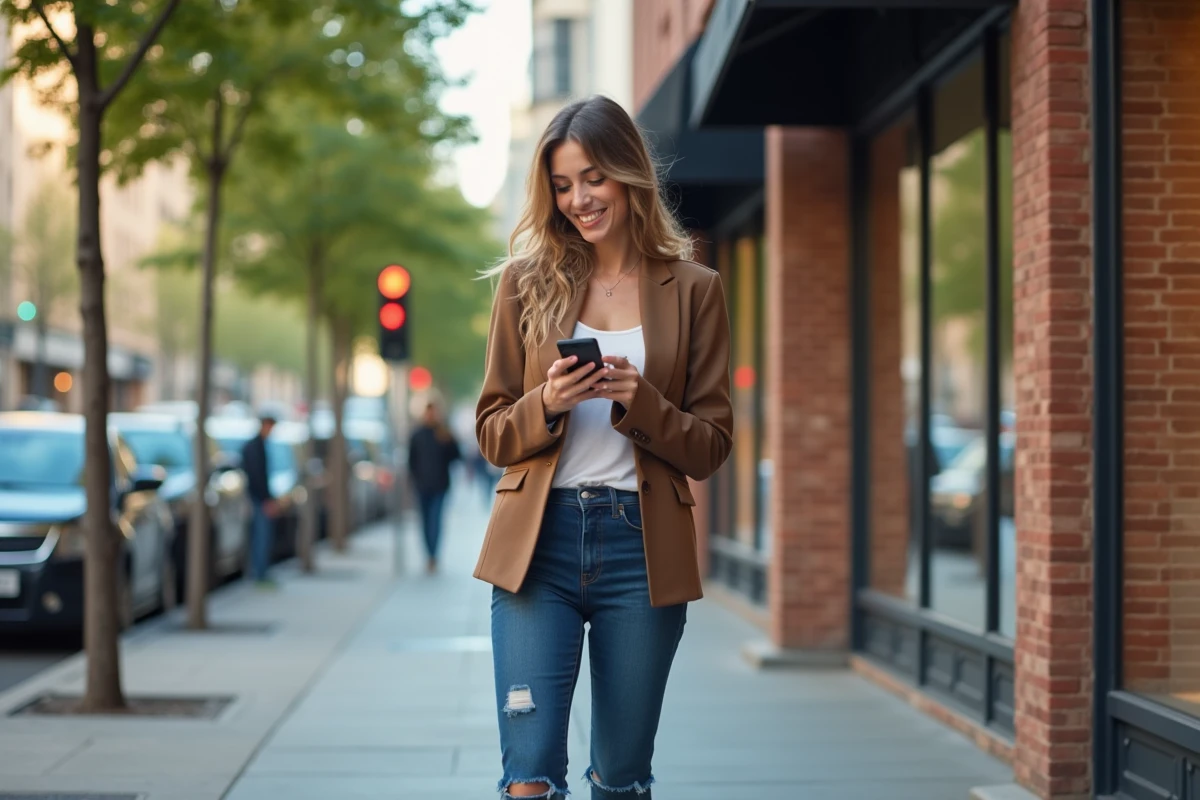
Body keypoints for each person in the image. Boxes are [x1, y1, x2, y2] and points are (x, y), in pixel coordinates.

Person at [475, 95, 734, 800]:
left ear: (628, 172)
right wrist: (549, 403)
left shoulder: (695, 289)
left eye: (592, 177)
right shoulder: (524, 285)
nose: (579, 199)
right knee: (527, 776)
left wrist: (637, 400)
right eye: (562, 185)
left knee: (620, 777)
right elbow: (493, 430)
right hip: (539, 547)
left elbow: (711, 447)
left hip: (640, 551)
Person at [408, 401, 462, 574]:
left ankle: (434, 555)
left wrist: (450, 441)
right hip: (422, 486)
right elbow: (411, 461)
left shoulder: (444, 434)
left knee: (436, 521)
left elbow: (456, 457)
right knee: (424, 522)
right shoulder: (417, 435)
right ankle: (428, 554)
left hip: (440, 486)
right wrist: (414, 481)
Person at [240, 412, 278, 588]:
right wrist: (266, 499)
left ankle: (260, 572)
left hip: (258, 497)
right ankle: (259, 574)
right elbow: (257, 476)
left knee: (261, 536)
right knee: (261, 537)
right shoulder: (255, 447)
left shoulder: (258, 445)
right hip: (257, 499)